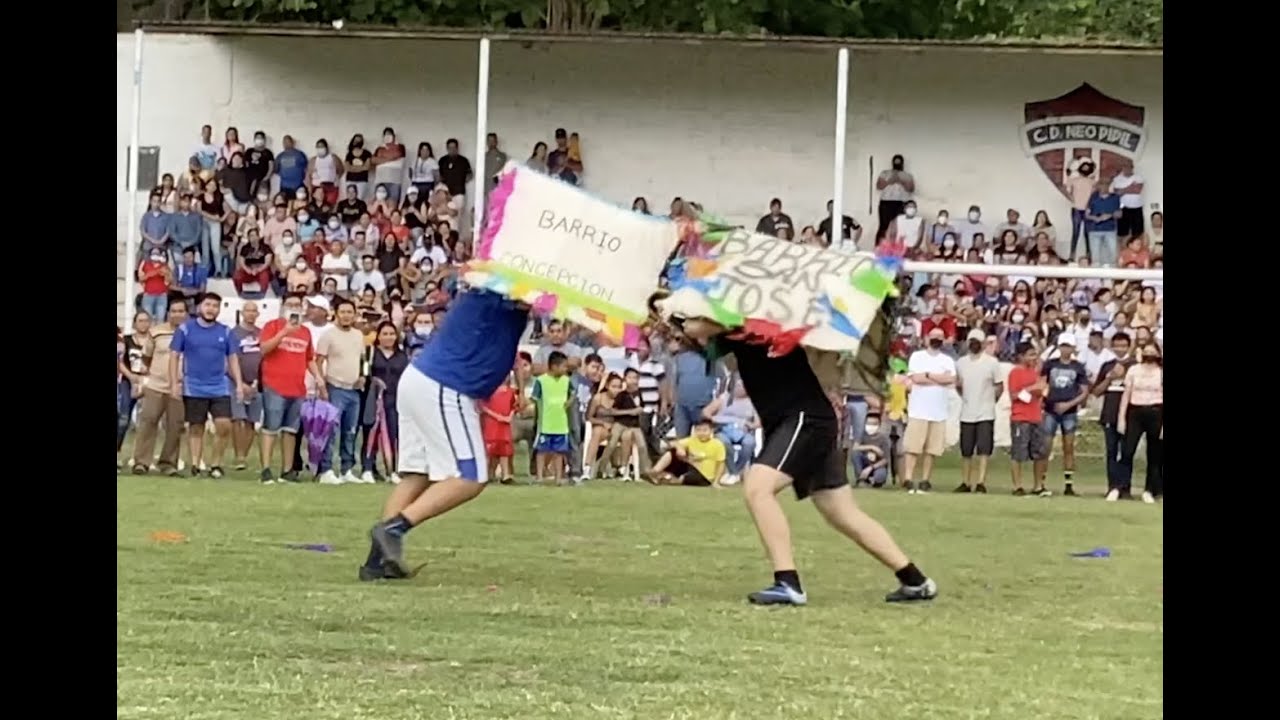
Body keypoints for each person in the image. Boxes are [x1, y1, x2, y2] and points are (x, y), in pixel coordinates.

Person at [674, 314, 937, 606]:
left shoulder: (755, 312)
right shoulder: (738, 318)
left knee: (757, 489)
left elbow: (703, 326)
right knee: (843, 514)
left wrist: (670, 307)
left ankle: (788, 583)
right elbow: (702, 336)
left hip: (803, 418)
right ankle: (915, 581)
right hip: (801, 419)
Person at [364, 290, 529, 580]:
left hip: (423, 379)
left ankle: (378, 562)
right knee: (471, 476)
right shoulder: (502, 290)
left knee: (418, 475)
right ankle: (393, 530)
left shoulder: (491, 288)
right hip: (445, 385)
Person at [168, 293, 247, 478]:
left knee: (224, 425)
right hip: (193, 386)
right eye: (208, 305)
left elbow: (233, 358)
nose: (211, 309)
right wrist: (174, 383)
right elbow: (174, 356)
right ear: (199, 307)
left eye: (215, 306)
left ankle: (216, 464)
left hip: (219, 386)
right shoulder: (185, 330)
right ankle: (195, 464)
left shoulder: (226, 332)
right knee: (196, 426)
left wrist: (239, 384)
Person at [1040, 333, 1090, 496]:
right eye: (1063, 346)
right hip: (1050, 409)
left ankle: (1069, 484)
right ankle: (1041, 482)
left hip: (1069, 411)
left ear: (1073, 348)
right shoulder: (1050, 364)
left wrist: (1068, 404)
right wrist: (1044, 398)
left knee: (1068, 447)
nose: (1065, 349)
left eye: (1068, 346)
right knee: (1045, 446)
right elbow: (1041, 383)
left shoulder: (1078, 367)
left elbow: (1084, 392)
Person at [1006, 342, 1050, 496]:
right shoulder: (1015, 373)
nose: (1034, 358)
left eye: (1035, 354)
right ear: (1021, 356)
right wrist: (1032, 389)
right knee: (1018, 453)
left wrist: (1039, 390)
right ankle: (1017, 486)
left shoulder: (1035, 372)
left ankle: (1038, 486)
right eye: (1030, 354)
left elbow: (1042, 391)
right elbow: (1014, 395)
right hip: (1021, 417)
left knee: (1040, 452)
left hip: (1036, 416)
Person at [644, 418, 727, 487]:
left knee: (683, 478)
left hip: (705, 476)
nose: (701, 433)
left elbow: (721, 464)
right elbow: (672, 443)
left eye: (705, 430)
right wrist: (679, 448)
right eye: (698, 430)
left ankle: (665, 478)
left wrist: (716, 481)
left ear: (711, 430)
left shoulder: (717, 444)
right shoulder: (692, 440)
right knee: (673, 452)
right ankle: (654, 472)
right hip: (691, 467)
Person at [481, 374, 520, 485]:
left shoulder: (511, 392)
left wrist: (509, 417)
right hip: (491, 425)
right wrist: (496, 416)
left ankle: (505, 475)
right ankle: (488, 474)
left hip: (504, 427)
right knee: (490, 451)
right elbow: (482, 406)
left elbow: (515, 406)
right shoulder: (489, 391)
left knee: (504, 451)